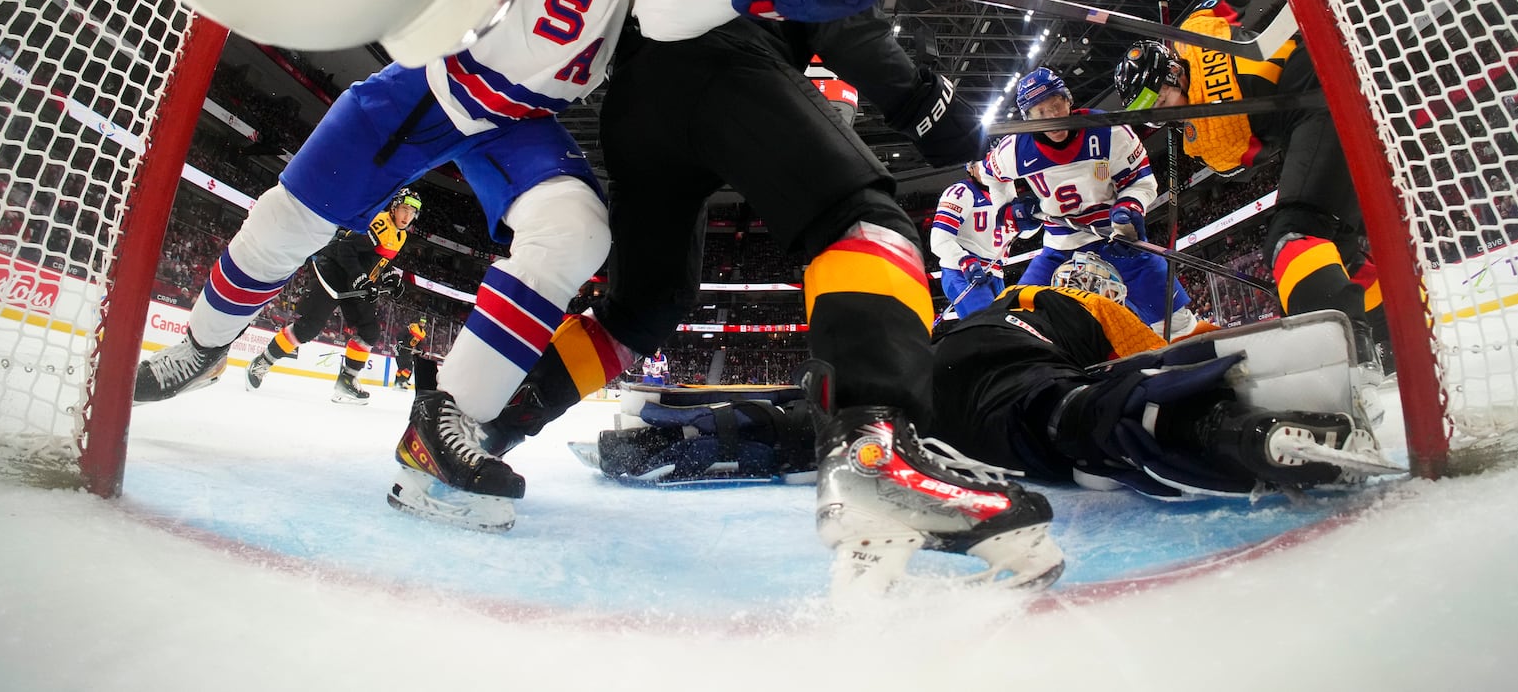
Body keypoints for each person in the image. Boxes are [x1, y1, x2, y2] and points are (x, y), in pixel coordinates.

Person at [132, 0, 757, 531]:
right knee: (290, 220)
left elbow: (677, 3)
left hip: (520, 121)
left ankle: (440, 428)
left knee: (576, 231)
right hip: (433, 80)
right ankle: (203, 342)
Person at [477, 0, 1065, 591]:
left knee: (640, 311)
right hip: (719, 67)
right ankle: (875, 457)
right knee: (863, 221)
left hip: (637, 110)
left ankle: (491, 423)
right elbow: (851, 27)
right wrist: (931, 112)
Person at [589, 250, 1387, 499]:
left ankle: (680, 433)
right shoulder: (1092, 310)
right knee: (1062, 415)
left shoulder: (1005, 296)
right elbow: (1157, 352)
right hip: (1005, 381)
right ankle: (1222, 431)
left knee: (830, 422)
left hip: (931, 369)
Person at [1112, 0, 1387, 370]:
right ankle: (1390, 334)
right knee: (1337, 248)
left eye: (1161, 103)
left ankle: (1340, 351)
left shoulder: (1198, 35)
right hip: (1320, 117)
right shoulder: (1200, 138)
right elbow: (1238, 166)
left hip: (1322, 82)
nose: (1165, 117)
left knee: (1294, 232)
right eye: (1153, 116)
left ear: (1171, 73)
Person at [985, 67, 1201, 336]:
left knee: (1175, 322)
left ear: (1068, 99)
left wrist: (1130, 206)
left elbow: (1142, 180)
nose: (1053, 116)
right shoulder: (1014, 149)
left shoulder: (1108, 131)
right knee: (1017, 320)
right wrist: (1009, 209)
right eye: (1041, 112)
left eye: (1056, 105)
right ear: (1027, 117)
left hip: (1116, 238)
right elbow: (990, 174)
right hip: (1059, 244)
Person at [242, 188, 422, 404]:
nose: (407, 216)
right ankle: (262, 362)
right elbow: (346, 247)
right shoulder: (381, 223)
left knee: (370, 331)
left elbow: (376, 259)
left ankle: (346, 381)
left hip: (354, 283)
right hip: (333, 274)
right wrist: (359, 277)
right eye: (404, 209)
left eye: (412, 213)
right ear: (394, 208)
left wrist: (390, 276)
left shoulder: (399, 234)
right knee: (307, 329)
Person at [930, 159, 1030, 319]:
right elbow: (939, 240)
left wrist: (1032, 221)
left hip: (995, 273)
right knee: (988, 328)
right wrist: (964, 261)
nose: (987, 169)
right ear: (970, 168)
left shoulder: (1006, 191)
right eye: (981, 164)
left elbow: (1017, 234)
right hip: (962, 273)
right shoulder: (960, 192)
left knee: (1004, 331)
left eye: (991, 163)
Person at [393, 318, 427, 389]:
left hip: (408, 350)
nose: (422, 323)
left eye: (423, 322)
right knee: (408, 367)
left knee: (402, 367)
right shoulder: (413, 326)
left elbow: (419, 344)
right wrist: (400, 341)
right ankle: (401, 382)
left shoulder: (423, 333)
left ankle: (397, 382)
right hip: (402, 348)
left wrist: (421, 350)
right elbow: (402, 333)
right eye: (421, 321)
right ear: (419, 321)